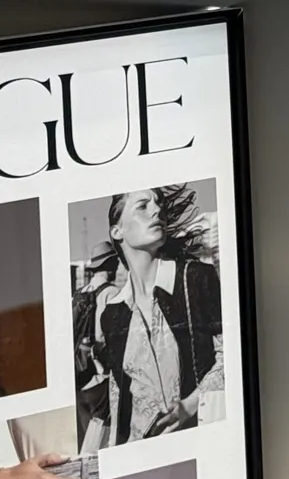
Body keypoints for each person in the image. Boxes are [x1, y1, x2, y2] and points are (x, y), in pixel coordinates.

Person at [75, 186, 224, 450]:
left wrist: (188, 406)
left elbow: (232, 355)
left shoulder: (196, 278)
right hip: (142, 451)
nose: (157, 210)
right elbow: (118, 394)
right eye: (142, 206)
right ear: (117, 231)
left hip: (199, 441)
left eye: (158, 203)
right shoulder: (113, 312)